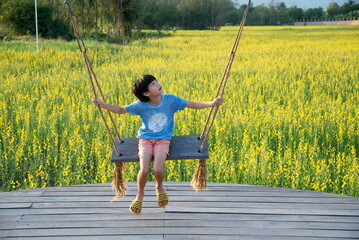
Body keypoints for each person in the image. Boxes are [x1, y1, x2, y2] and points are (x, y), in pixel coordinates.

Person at [92, 74, 223, 214]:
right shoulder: (140, 105)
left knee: (158, 169)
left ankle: (159, 187)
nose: (158, 84)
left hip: (163, 139)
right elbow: (121, 110)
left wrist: (211, 103)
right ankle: (140, 194)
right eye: (153, 84)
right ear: (146, 93)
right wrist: (103, 104)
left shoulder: (171, 100)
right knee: (144, 169)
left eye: (156, 81)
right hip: (145, 139)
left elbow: (191, 104)